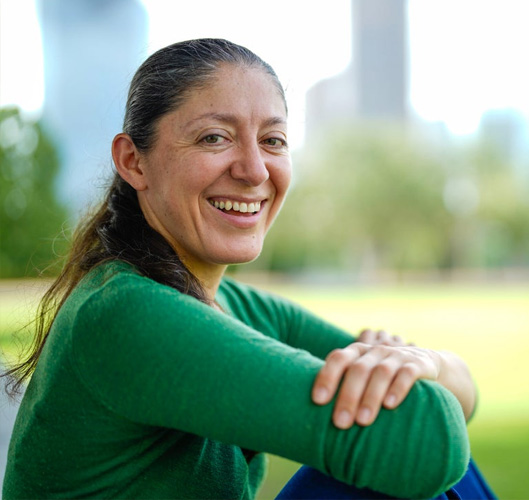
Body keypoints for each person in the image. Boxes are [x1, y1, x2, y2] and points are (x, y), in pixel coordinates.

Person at [1, 38, 495, 499]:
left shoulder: (234, 306)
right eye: (215, 138)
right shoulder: (125, 314)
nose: (254, 170)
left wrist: (424, 363)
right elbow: (428, 441)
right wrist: (422, 378)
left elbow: (463, 402)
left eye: (273, 141)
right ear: (133, 162)